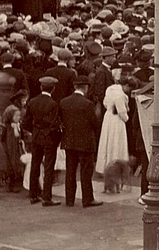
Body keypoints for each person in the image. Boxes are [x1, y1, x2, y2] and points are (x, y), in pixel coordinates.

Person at [59, 82, 103, 208]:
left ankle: (69, 199)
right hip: (85, 142)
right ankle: (87, 199)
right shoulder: (87, 104)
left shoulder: (63, 102)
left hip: (69, 141)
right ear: (85, 88)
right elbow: (94, 123)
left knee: (70, 171)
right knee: (86, 171)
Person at [23, 76, 62, 206]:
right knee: (49, 167)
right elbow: (54, 124)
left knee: (35, 165)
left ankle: (33, 195)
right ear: (53, 89)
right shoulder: (53, 104)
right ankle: (47, 197)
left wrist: (35, 131)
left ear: (41, 87)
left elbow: (26, 122)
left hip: (36, 137)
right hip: (49, 138)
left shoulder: (32, 102)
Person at [95, 75, 131, 174]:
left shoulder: (109, 90)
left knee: (107, 141)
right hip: (117, 120)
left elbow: (105, 103)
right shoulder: (120, 95)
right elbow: (122, 111)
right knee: (116, 142)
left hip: (108, 117)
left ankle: (105, 165)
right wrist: (127, 119)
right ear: (126, 85)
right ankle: (116, 167)